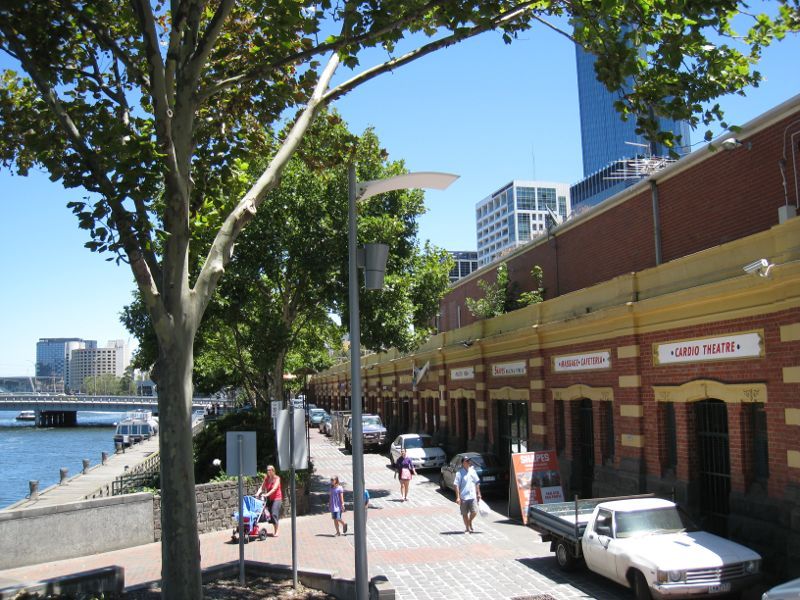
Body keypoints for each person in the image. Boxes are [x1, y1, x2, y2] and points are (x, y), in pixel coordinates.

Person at [454, 456, 481, 533]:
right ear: (463, 463)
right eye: (467, 461)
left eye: (469, 461)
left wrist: (478, 493)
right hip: (464, 496)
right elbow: (456, 485)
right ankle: (467, 528)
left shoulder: (473, 471)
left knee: (475, 511)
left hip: (472, 496)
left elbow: (477, 482)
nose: (469, 462)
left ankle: (469, 521)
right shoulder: (459, 473)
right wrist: (458, 497)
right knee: (464, 513)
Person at [255, 465, 282, 537]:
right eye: (267, 470)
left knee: (274, 514)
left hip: (277, 498)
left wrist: (266, 494)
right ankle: (274, 528)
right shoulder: (266, 478)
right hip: (269, 499)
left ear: (273, 471)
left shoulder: (277, 478)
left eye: (270, 470)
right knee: (267, 514)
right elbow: (262, 487)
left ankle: (276, 531)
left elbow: (274, 489)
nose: (268, 471)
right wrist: (258, 493)